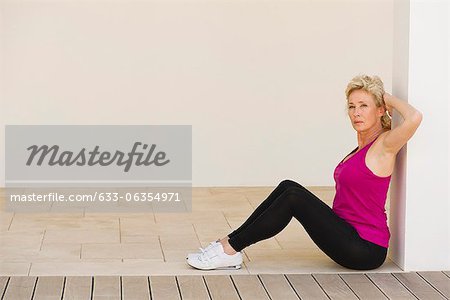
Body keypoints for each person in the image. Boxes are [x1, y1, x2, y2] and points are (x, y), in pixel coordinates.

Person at [186, 74, 423, 271]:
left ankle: (229, 249)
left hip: (365, 248)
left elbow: (414, 117)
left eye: (364, 106)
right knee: (288, 186)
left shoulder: (384, 145)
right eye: (351, 106)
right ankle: (228, 244)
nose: (356, 112)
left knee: (293, 198)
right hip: (346, 232)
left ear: (380, 110)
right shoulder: (359, 149)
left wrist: (387, 98)